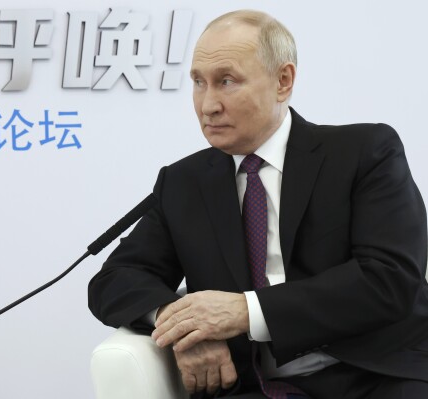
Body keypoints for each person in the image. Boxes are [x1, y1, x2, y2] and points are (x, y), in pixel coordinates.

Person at [88, 9, 428, 399]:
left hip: (377, 376)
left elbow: (390, 278)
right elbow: (114, 279)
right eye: (199, 83)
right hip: (254, 386)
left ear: (283, 80)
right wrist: (180, 323)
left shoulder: (363, 152)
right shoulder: (184, 182)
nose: (207, 105)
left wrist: (244, 311)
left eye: (227, 81)